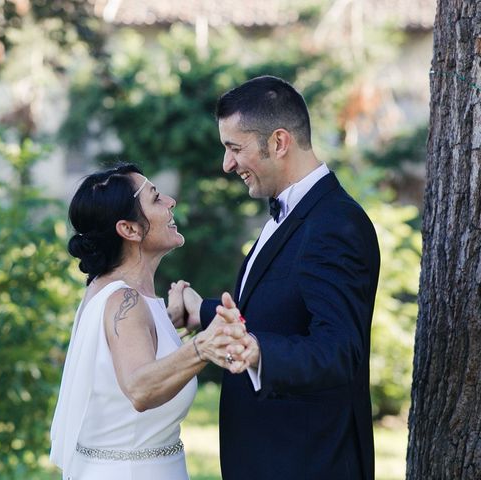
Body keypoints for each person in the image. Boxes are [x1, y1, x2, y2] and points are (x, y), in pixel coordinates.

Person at [176, 75, 380, 480]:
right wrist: (202, 310)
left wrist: (258, 352)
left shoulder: (335, 224)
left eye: (235, 148)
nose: (227, 164)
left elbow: (339, 349)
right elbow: (277, 308)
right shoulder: (290, 212)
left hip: (308, 464)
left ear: (279, 142)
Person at [49, 164, 247, 480]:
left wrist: (170, 322)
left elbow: (127, 357)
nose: (171, 202)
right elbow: (139, 388)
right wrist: (202, 347)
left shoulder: (119, 295)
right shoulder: (124, 302)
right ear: (129, 229)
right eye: (155, 199)